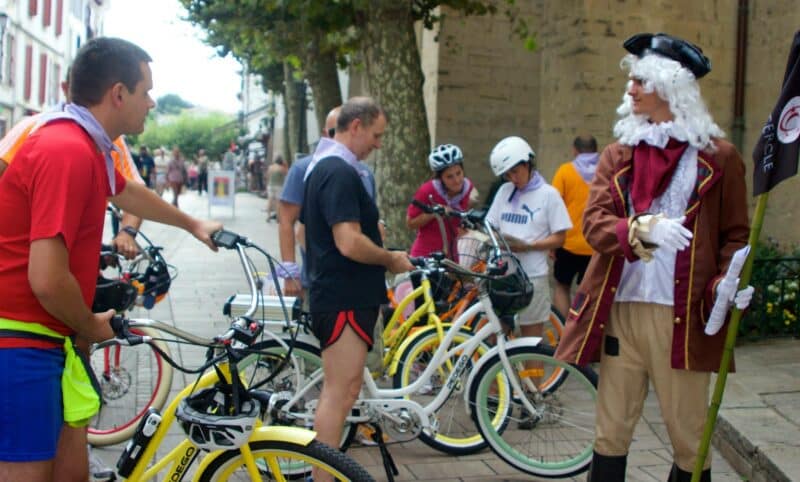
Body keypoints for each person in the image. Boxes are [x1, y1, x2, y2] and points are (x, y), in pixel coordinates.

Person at [0, 37, 222, 482]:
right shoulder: (66, 149)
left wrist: (192, 224)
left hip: (49, 340)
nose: (153, 103)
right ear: (118, 94)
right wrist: (90, 324)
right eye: (147, 91)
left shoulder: (89, 145)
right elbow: (46, 278)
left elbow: (123, 189)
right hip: (22, 342)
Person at [554, 33, 754, 481]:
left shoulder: (719, 158)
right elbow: (594, 224)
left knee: (689, 437)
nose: (631, 89)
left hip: (682, 318)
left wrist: (727, 280)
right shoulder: (618, 155)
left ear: (670, 86)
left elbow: (737, 235)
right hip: (620, 310)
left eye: (641, 80)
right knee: (610, 432)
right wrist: (642, 231)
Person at [300, 97, 413, 481]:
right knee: (339, 393)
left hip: (342, 294)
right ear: (356, 126)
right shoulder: (339, 171)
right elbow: (347, 242)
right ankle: (323, 478)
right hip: (343, 296)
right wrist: (389, 258)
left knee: (344, 392)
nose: (378, 144)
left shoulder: (331, 168)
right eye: (376, 135)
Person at [0, 71, 145, 260]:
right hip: (27, 258)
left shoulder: (111, 142)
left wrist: (127, 232)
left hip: (78, 257)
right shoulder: (34, 127)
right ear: (66, 88)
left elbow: (133, 194)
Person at [277, 106, 377, 298]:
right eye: (334, 132)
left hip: (361, 281)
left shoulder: (365, 173)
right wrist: (289, 270)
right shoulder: (304, 169)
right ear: (325, 134)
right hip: (320, 282)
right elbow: (286, 221)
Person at [486, 136, 572, 340]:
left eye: (515, 171)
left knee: (531, 341)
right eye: (507, 174)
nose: (512, 178)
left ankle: (532, 373)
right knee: (495, 337)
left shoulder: (548, 195)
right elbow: (491, 224)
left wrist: (529, 246)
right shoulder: (504, 191)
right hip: (503, 275)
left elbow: (560, 238)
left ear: (528, 163)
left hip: (532, 277)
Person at [550, 135, 599, 319]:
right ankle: (584, 334)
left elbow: (554, 207)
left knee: (562, 286)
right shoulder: (605, 172)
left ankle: (563, 333)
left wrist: (552, 243)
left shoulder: (565, 171)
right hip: (595, 245)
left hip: (568, 242)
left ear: (575, 150)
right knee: (589, 293)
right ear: (596, 150)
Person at [406, 144, 475, 259]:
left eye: (459, 173)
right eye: (449, 177)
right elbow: (410, 223)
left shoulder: (468, 189)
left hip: (451, 256)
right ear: (440, 178)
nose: (457, 180)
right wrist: (433, 213)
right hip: (425, 254)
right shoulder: (427, 190)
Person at [265, 156, 287, 222]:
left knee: (270, 201)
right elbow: (287, 175)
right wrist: (285, 164)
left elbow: (267, 176)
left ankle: (268, 216)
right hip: (279, 186)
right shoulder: (282, 168)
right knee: (278, 202)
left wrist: (267, 185)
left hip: (270, 185)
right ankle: (278, 217)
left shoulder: (270, 167)